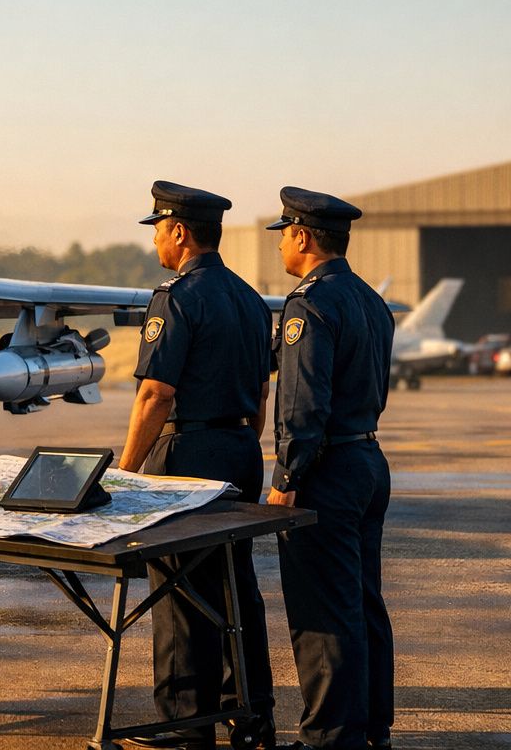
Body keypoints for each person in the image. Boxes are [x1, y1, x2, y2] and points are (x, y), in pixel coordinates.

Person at [120, 181, 276, 750]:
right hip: (240, 448)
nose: (156, 242)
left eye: (158, 230)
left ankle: (185, 723)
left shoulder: (176, 296)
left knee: (180, 588)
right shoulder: (251, 298)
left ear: (179, 232)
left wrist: (128, 470)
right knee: (236, 584)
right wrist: (238, 442)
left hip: (188, 452)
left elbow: (155, 394)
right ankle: (250, 712)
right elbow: (262, 392)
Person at [264, 188, 395, 750]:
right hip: (367, 457)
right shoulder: (369, 298)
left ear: (301, 236)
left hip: (326, 469)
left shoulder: (309, 302)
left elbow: (302, 405)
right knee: (363, 601)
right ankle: (370, 729)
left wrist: (286, 478)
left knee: (324, 611)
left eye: (284, 236)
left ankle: (329, 739)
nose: (282, 247)